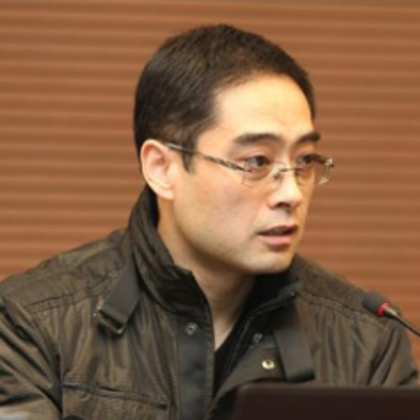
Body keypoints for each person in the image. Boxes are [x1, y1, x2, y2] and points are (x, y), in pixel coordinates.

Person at [0, 24, 417, 420]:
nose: (291, 193)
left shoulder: (368, 341)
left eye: (304, 160)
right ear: (162, 168)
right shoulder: (31, 324)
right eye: (257, 161)